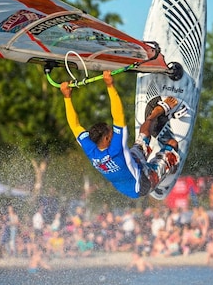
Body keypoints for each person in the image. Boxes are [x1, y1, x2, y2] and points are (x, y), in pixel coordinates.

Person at [60, 70, 180, 198]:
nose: (113, 131)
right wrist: (110, 86)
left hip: (132, 162)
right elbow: (118, 117)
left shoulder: (91, 149)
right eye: (111, 131)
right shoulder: (116, 149)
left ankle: (155, 113)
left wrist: (67, 97)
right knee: (172, 143)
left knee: (144, 135)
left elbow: (75, 125)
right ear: (107, 138)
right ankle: (169, 171)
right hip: (142, 184)